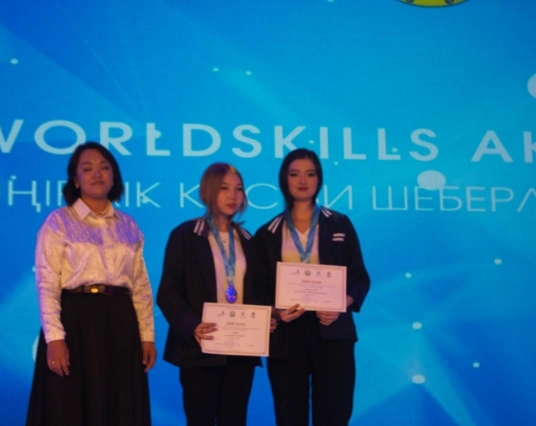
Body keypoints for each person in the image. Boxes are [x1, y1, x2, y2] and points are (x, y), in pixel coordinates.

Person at [26, 141, 156, 426]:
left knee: (119, 405)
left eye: (104, 167)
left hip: (120, 320)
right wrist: (55, 339)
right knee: (70, 407)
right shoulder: (58, 222)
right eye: (87, 169)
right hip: (76, 320)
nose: (97, 174)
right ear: (75, 179)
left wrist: (147, 336)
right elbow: (47, 283)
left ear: (114, 176)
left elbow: (140, 286)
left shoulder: (128, 225)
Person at [253, 148, 370, 426]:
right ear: (284, 179)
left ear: (319, 179)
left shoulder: (340, 224)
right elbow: (258, 289)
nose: (303, 181)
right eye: (295, 174)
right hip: (287, 335)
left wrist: (341, 303)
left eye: (310, 174)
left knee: (334, 414)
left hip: (332, 330)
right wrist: (275, 312)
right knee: (289, 415)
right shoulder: (267, 232)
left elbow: (359, 278)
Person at [156, 163, 261, 426]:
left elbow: (257, 291)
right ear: (208, 191)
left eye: (238, 189)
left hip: (240, 348)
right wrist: (192, 325)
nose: (233, 196)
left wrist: (265, 318)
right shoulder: (185, 235)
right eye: (224, 188)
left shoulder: (248, 239)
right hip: (201, 345)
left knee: (234, 419)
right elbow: (168, 291)